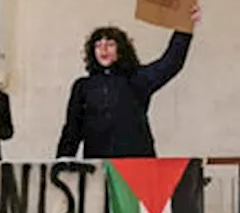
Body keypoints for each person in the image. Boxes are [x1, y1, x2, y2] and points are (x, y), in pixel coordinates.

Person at [56, 9, 200, 159]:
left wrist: (184, 28)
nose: (103, 49)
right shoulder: (83, 87)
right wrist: (61, 165)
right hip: (99, 168)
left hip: (137, 166)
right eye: (98, 45)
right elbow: (72, 130)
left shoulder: (138, 79)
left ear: (121, 50)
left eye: (110, 44)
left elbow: (170, 63)